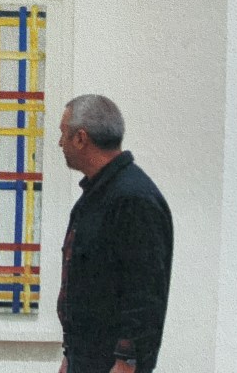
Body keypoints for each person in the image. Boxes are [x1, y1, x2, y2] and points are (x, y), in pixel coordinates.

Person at [57, 95, 173, 373]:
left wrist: (126, 362)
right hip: (86, 359)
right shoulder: (97, 195)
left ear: (80, 138)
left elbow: (144, 294)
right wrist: (70, 355)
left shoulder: (133, 199)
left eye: (63, 134)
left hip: (110, 364)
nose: (60, 143)